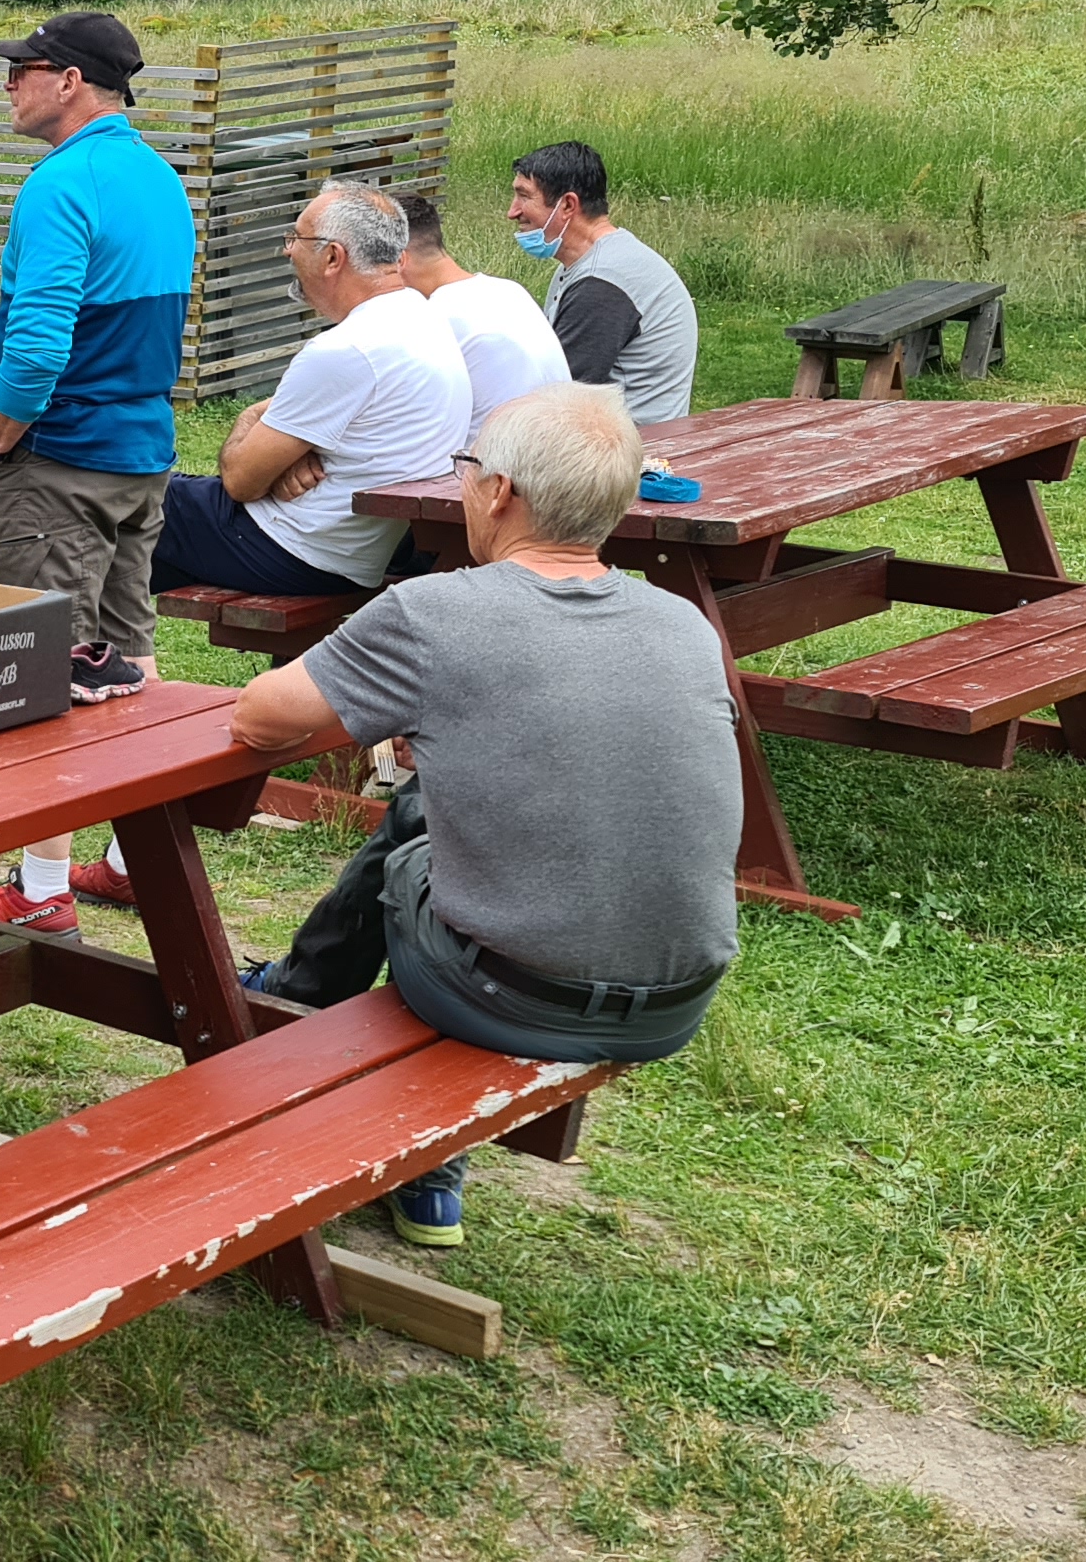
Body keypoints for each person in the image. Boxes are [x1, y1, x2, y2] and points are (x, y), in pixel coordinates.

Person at [227, 382, 741, 1245]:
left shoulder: (437, 613)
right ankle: (413, 1153)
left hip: (506, 995)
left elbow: (258, 716)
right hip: (676, 1002)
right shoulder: (684, 623)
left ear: (499, 493)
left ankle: (302, 1010)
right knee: (439, 820)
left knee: (411, 839)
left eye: (467, 469)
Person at [0, 12, 197, 935]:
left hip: (61, 463)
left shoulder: (61, 184)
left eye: (24, 69)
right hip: (142, 459)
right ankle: (134, 861)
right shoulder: (158, 177)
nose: (7, 84)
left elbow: (41, 339)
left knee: (36, 672)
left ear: (73, 82)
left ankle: (41, 892)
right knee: (132, 658)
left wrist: (3, 437)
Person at [152, 183, 470, 601]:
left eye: (296, 239)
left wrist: (250, 418)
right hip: (356, 551)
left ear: (333, 257)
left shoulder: (347, 349)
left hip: (294, 550)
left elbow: (240, 481)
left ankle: (74, 648)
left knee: (129, 502)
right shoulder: (426, 321)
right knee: (154, 523)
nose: (288, 251)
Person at [509, 141, 700, 423]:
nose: (512, 212)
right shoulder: (595, 262)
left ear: (567, 205)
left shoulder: (601, 284)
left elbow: (558, 399)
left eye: (524, 197)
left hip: (631, 451)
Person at [400, 194, 569, 424]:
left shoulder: (432, 320)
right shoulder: (510, 291)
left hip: (499, 456)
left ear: (399, 261)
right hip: (561, 444)